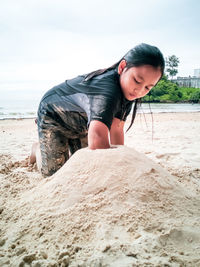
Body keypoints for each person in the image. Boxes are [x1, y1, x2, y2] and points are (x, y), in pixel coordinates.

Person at [30, 43, 165, 177]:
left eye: (148, 88)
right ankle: (37, 150)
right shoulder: (107, 91)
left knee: (83, 167)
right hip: (53, 116)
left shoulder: (128, 92)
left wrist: (121, 163)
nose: (140, 90)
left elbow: (116, 129)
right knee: (54, 175)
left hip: (82, 124)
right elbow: (98, 139)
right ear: (123, 67)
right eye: (137, 80)